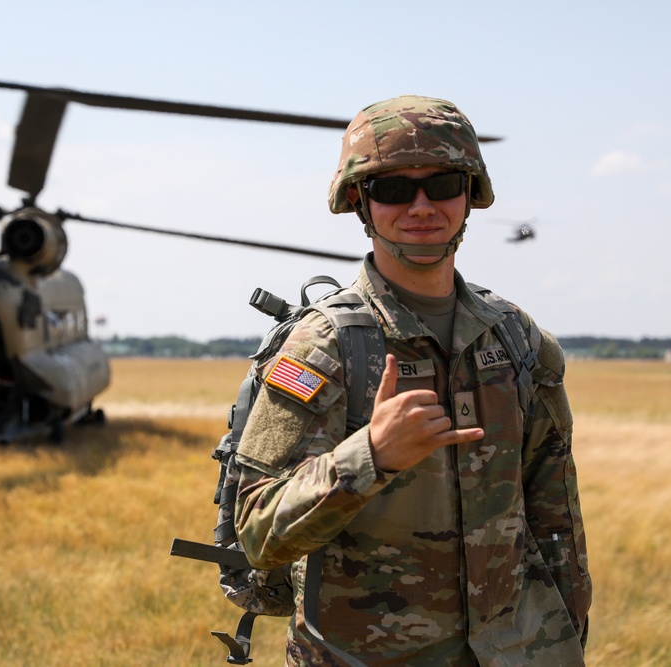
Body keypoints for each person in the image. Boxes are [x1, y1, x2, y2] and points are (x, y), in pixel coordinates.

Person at [233, 95, 591, 665]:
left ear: (468, 196)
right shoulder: (325, 347)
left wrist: (567, 637)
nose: (422, 206)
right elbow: (257, 531)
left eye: (443, 184)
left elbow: (555, 519)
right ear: (360, 201)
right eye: (395, 189)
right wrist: (371, 455)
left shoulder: (518, 340)